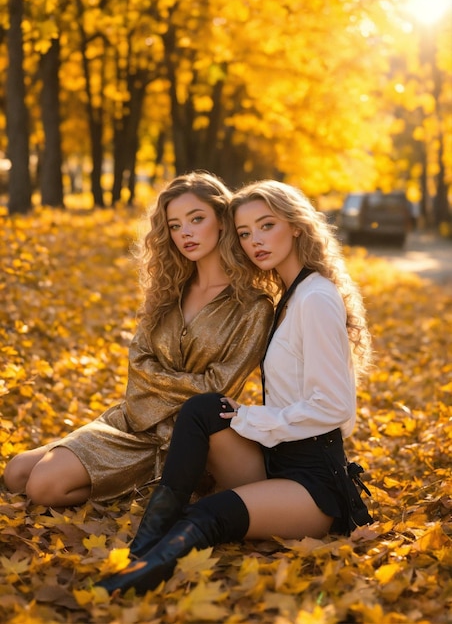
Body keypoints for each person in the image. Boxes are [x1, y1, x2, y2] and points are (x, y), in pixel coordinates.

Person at [96, 179, 374, 596]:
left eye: (266, 226)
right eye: (244, 233)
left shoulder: (315, 298)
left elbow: (334, 407)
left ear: (296, 225)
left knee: (207, 515)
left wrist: (252, 418)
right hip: (277, 459)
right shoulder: (289, 294)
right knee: (203, 409)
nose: (255, 241)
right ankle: (143, 547)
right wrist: (247, 421)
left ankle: (130, 581)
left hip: (314, 485)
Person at [3, 172, 274, 507]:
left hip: (178, 439)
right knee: (16, 473)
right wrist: (160, 385)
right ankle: (106, 472)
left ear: (222, 221)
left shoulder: (252, 306)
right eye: (175, 225)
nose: (185, 232)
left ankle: (154, 483)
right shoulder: (168, 289)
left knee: (43, 487)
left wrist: (155, 383)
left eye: (196, 219)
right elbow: (138, 361)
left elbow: (216, 388)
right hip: (130, 419)